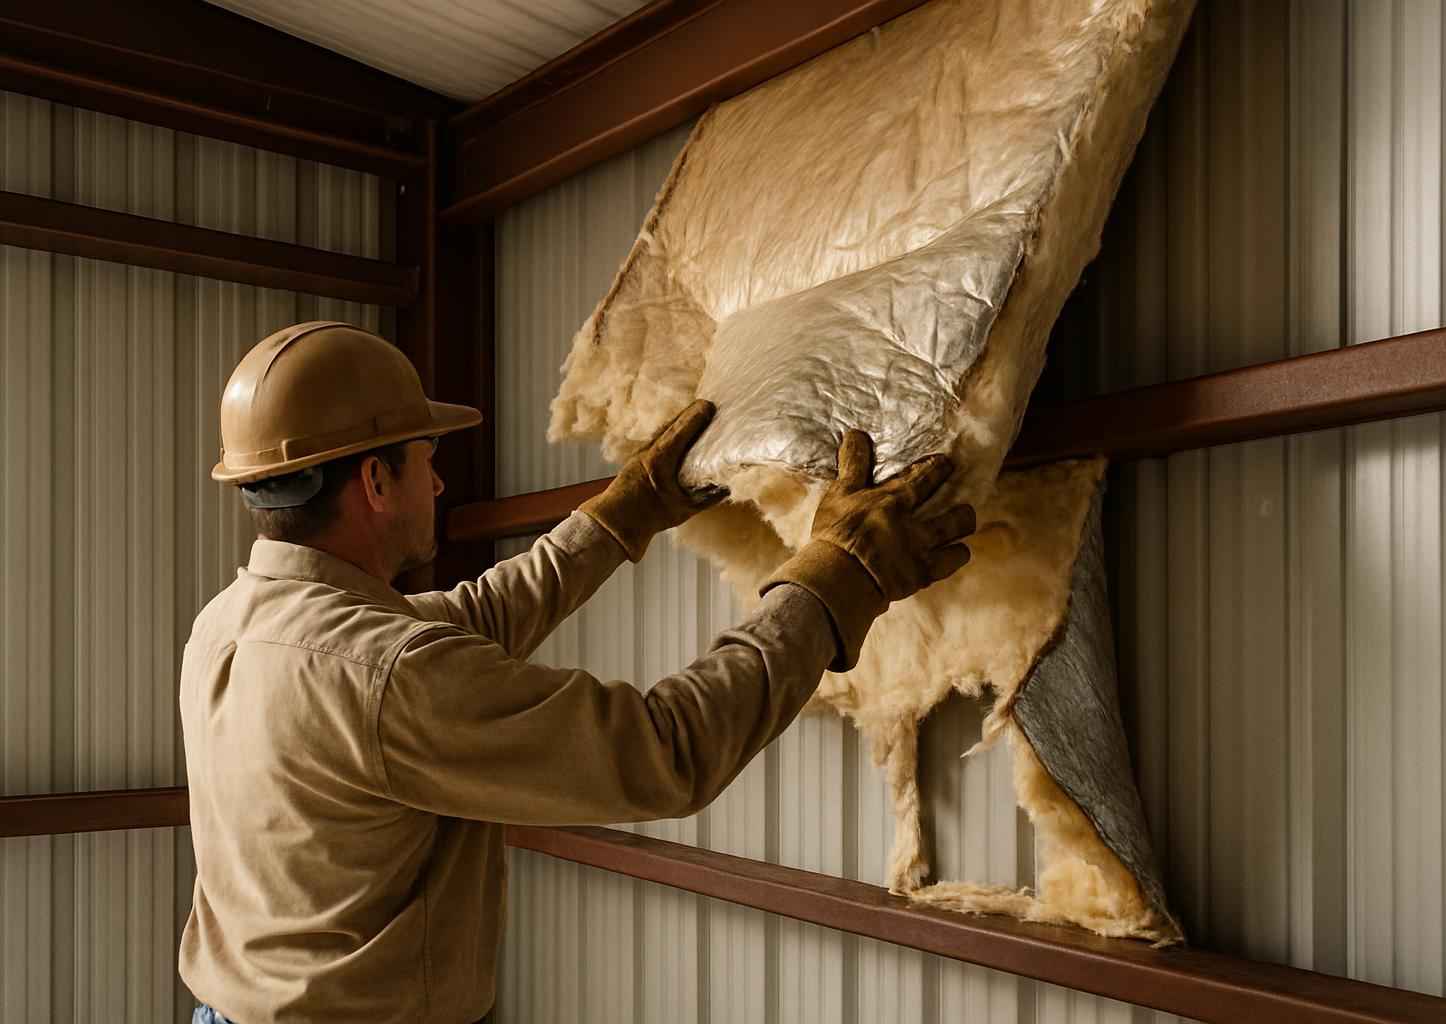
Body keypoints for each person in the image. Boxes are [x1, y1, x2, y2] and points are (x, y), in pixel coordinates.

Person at [180, 321, 976, 1023]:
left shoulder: (232, 624)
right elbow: (666, 751)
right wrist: (833, 581)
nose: (440, 481)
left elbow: (477, 617)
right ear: (377, 483)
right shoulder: (381, 671)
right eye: (427, 459)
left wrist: (625, 511)